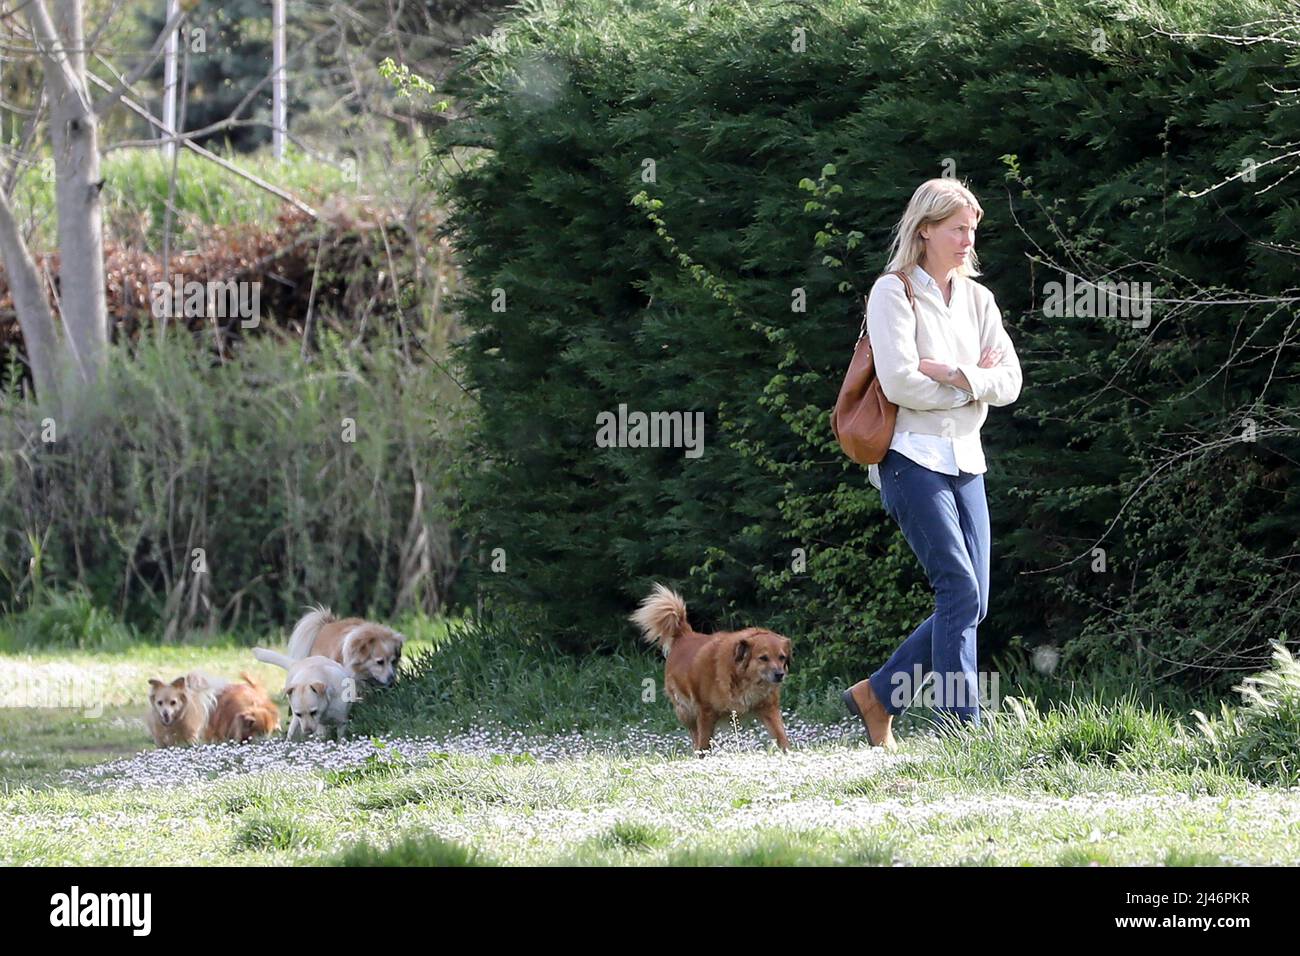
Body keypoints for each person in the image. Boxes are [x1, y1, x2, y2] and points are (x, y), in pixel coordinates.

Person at [842, 178, 1023, 750]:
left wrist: (952, 374)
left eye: (973, 228)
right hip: (910, 458)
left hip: (967, 459)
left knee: (977, 599)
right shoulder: (892, 292)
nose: (969, 239)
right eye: (958, 228)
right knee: (959, 591)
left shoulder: (980, 300)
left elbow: (1011, 381)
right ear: (925, 229)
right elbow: (898, 381)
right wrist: (974, 386)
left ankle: (878, 695)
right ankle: (961, 731)